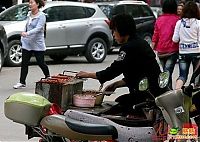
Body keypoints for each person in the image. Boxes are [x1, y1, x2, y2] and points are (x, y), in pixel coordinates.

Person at [76, 14, 166, 115]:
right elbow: (137, 74)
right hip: (153, 92)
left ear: (122, 30)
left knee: (117, 108)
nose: (113, 34)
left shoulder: (129, 47)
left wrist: (87, 74)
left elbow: (112, 71)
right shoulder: (141, 43)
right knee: (121, 101)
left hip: (148, 96)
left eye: (114, 30)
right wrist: (116, 84)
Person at [13, 0, 50, 89]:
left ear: (37, 4)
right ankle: (22, 82)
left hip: (37, 43)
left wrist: (27, 33)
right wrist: (24, 34)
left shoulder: (42, 16)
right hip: (27, 43)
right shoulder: (29, 14)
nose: (30, 4)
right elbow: (27, 25)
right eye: (29, 2)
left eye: (31, 2)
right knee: (24, 63)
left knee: (40, 62)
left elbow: (38, 28)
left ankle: (48, 76)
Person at [151, 0, 180, 89]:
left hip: (161, 51)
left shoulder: (159, 20)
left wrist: (152, 46)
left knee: (166, 73)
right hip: (172, 50)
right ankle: (168, 93)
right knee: (167, 73)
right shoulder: (177, 20)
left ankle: (168, 91)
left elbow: (156, 34)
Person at [172, 1, 200, 90]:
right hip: (196, 52)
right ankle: (194, 93)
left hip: (183, 53)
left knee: (182, 76)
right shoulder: (198, 23)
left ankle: (177, 92)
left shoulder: (179, 23)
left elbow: (175, 39)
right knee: (196, 76)